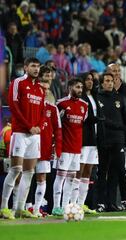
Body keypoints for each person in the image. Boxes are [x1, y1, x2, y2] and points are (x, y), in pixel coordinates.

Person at [1, 58, 44, 219]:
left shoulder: (39, 89)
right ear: (25, 67)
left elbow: (41, 111)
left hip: (34, 135)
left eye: (38, 66)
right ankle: (4, 208)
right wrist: (28, 126)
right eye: (33, 66)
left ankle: (19, 209)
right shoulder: (18, 82)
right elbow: (13, 105)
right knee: (15, 170)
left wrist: (39, 126)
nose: (36, 69)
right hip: (20, 133)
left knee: (29, 172)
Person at [96, 73, 126, 212]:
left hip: (118, 139)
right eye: (106, 81)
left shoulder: (120, 98)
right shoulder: (97, 98)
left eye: (112, 81)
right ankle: (100, 202)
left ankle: (112, 202)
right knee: (102, 171)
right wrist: (123, 127)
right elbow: (101, 119)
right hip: (102, 139)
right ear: (101, 83)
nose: (110, 83)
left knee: (116, 170)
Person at [52, 78, 88, 216]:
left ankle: (65, 206)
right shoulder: (61, 104)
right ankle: (56, 206)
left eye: (81, 88)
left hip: (77, 147)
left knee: (71, 178)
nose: (80, 90)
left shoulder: (84, 106)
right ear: (70, 87)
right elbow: (56, 125)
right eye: (78, 87)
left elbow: (82, 124)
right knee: (60, 177)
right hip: (65, 147)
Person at [70, 73, 100, 214]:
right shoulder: (81, 99)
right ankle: (72, 204)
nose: (90, 82)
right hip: (83, 139)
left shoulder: (94, 97)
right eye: (87, 79)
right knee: (78, 171)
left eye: (91, 80)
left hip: (93, 140)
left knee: (88, 172)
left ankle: (81, 204)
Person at [33, 79, 62, 217]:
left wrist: (57, 148)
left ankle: (36, 208)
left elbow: (58, 130)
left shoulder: (53, 109)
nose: (44, 92)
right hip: (30, 147)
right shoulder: (31, 106)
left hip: (44, 149)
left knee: (41, 177)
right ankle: (22, 206)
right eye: (42, 89)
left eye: (47, 90)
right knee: (24, 176)